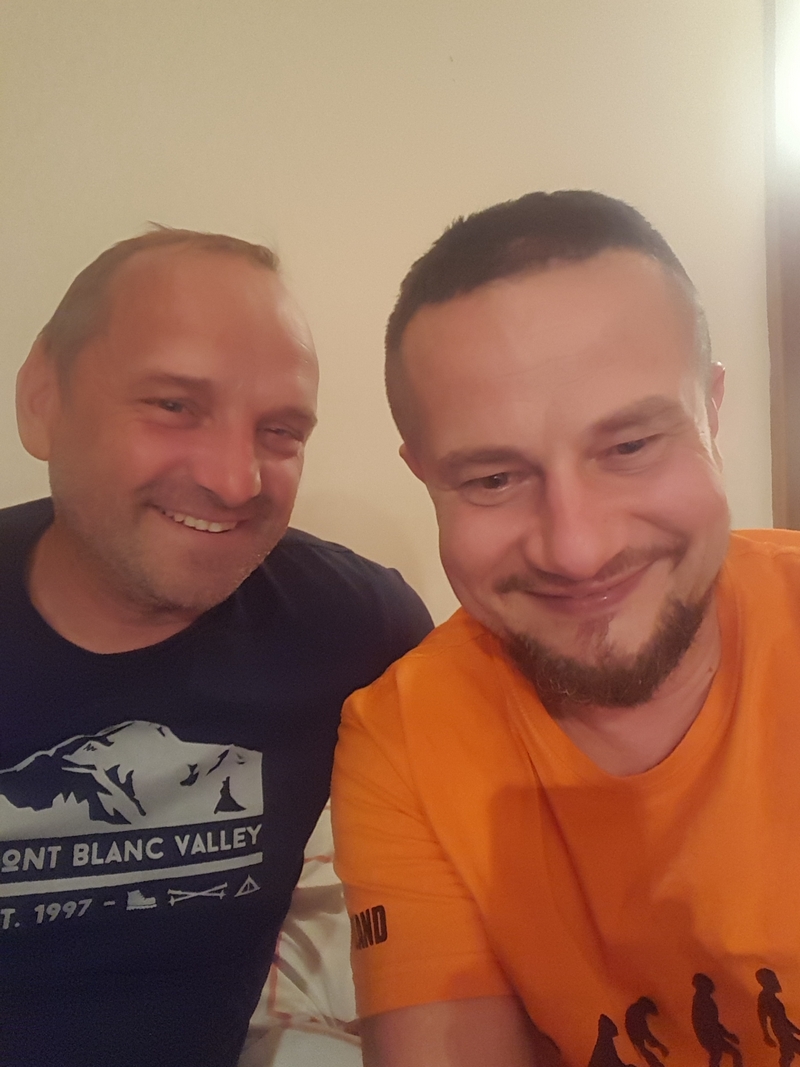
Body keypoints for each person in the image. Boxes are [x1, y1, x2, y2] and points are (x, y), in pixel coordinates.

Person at [332, 190, 800, 1065]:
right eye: (493, 479)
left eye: (630, 446)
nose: (578, 549)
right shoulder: (404, 738)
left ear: (712, 410)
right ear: (423, 472)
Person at [1, 227, 432, 1067]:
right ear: (41, 397)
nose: (236, 481)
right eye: (174, 405)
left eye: (282, 431)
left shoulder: (354, 627)